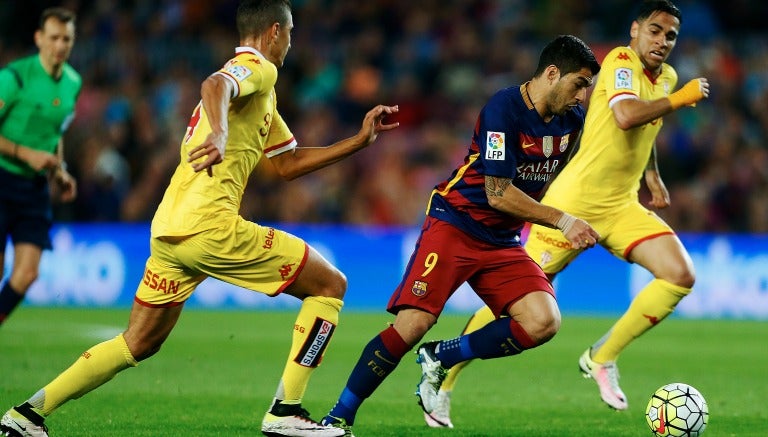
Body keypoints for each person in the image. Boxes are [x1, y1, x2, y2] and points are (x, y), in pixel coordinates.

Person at [0, 1, 399, 436]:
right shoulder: (257, 68)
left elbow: (288, 162)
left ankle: (28, 413)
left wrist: (359, 142)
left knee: (138, 342)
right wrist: (222, 133)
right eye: (290, 32)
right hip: (211, 226)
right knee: (330, 286)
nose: (291, 42)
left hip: (171, 227)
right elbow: (215, 85)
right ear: (273, 33)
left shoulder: (261, 93)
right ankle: (286, 411)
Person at [424, 0, 711, 426]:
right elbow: (627, 115)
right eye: (654, 30)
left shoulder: (665, 76)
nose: (662, 41)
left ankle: (600, 357)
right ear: (635, 30)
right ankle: (442, 378)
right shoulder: (619, 62)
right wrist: (681, 99)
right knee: (514, 305)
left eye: (670, 35)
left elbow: (643, 131)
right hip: (573, 204)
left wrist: (652, 174)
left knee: (680, 275)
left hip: (621, 204)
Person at [319, 34, 601, 436]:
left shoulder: (573, 122)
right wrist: (562, 220)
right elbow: (497, 192)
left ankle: (441, 356)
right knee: (413, 325)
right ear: (552, 73)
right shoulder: (503, 108)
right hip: (456, 223)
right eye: (579, 84)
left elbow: (548, 180)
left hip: (502, 240)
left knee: (543, 321)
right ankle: (338, 417)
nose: (582, 97)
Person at [0, 7, 79, 327]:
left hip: (33, 188)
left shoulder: (73, 82)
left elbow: (55, 133)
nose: (60, 45)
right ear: (38, 38)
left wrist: (58, 171)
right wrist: (24, 153)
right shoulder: (13, 77)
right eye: (54, 37)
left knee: (28, 273)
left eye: (67, 39)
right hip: (2, 178)